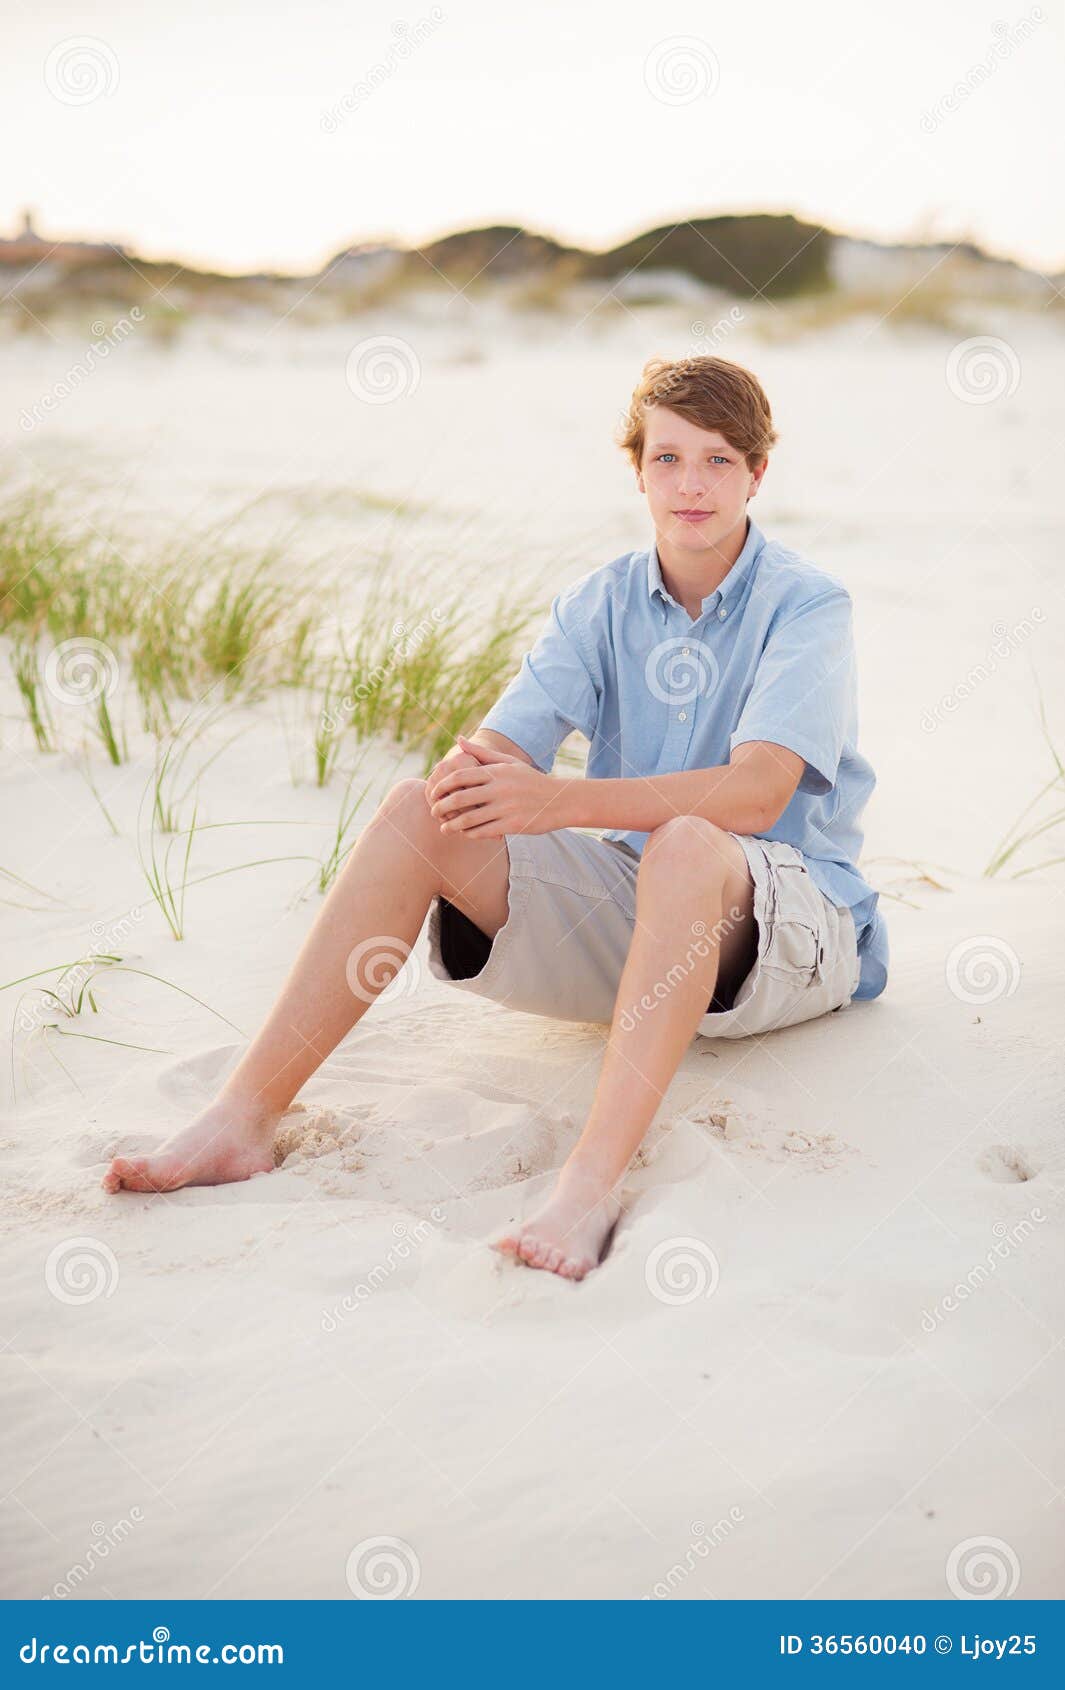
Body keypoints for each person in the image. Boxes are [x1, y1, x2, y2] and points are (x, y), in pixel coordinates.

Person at [104, 354, 888, 1282]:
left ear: (758, 474)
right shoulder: (598, 602)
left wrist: (558, 801)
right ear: (636, 468)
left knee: (683, 843)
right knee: (415, 812)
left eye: (719, 460)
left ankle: (589, 1185)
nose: (691, 484)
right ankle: (242, 1117)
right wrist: (475, 772)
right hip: (653, 920)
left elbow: (759, 793)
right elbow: (500, 751)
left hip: (790, 932)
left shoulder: (806, 604)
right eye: (668, 457)